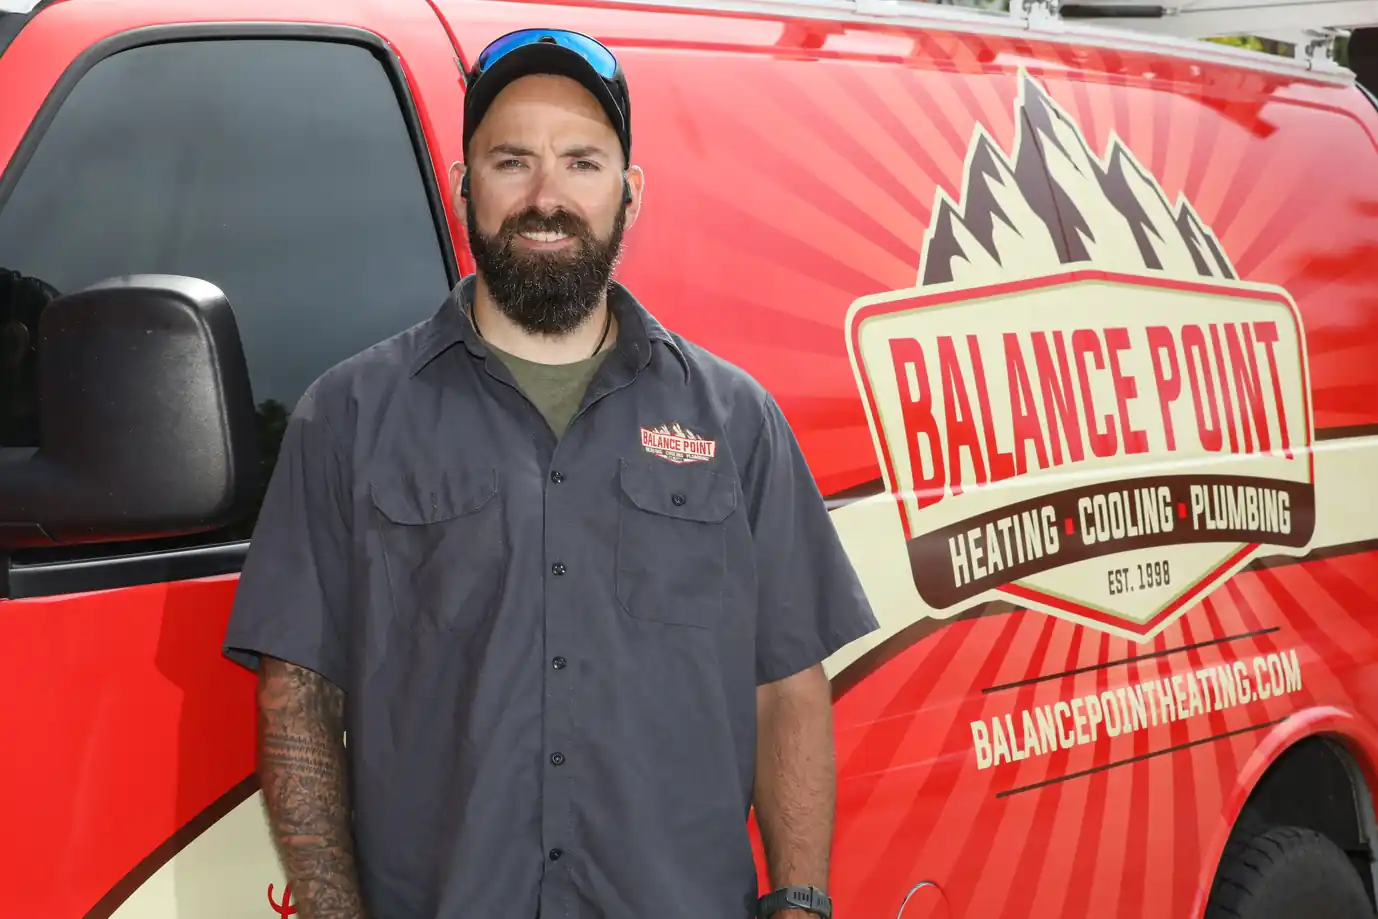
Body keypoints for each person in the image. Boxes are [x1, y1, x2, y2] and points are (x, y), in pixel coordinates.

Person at [222, 27, 879, 919]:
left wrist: (800, 901)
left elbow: (787, 689)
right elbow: (298, 696)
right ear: (464, 189)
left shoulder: (737, 422)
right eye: (510, 161)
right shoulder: (347, 416)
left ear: (629, 194)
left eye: (581, 163)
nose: (546, 197)